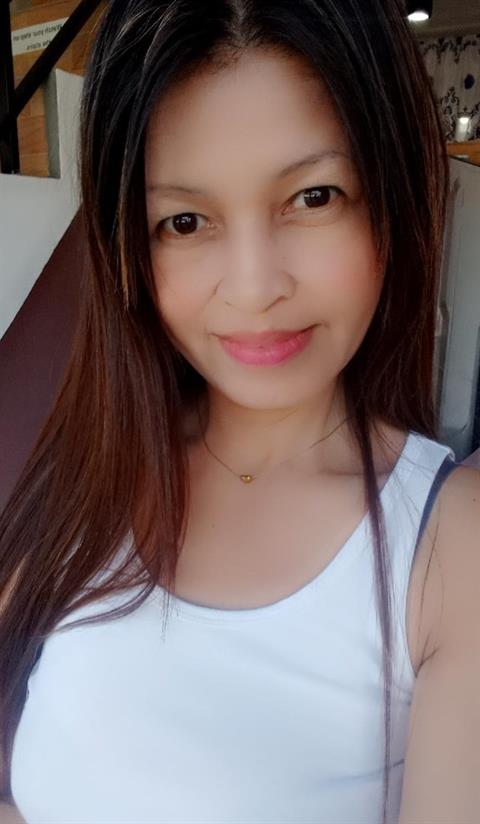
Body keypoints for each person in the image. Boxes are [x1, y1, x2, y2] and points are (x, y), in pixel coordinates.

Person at [1, 0, 479, 822]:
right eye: (184, 222)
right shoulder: (89, 472)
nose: (255, 287)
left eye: (315, 197)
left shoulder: (450, 549)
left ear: (392, 203)